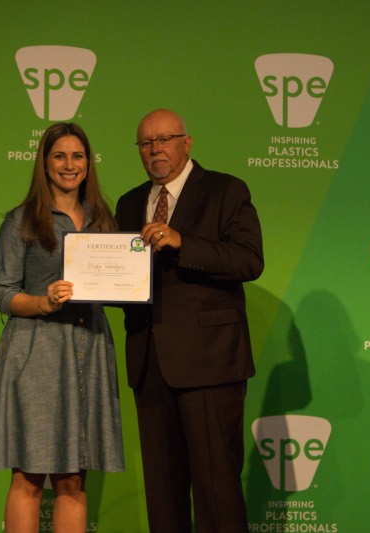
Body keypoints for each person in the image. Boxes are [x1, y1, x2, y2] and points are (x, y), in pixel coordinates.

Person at [0, 122, 124, 533]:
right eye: (59, 156)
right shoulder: (21, 220)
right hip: (36, 352)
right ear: (44, 162)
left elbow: (119, 283)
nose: (69, 165)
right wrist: (44, 301)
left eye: (77, 156)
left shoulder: (103, 219)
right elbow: (3, 294)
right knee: (29, 477)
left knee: (73, 480)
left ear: (89, 163)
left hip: (89, 349)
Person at [115, 109, 264, 532]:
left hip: (210, 364)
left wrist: (183, 242)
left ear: (187, 142)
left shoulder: (225, 190)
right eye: (146, 143)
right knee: (163, 495)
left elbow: (249, 260)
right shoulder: (129, 202)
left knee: (217, 490)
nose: (155, 149)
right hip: (149, 364)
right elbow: (124, 278)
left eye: (165, 139)